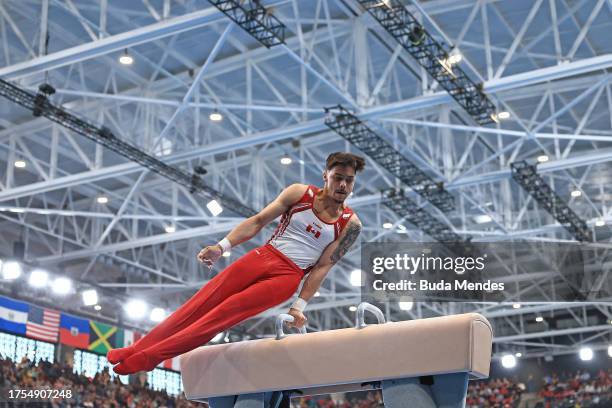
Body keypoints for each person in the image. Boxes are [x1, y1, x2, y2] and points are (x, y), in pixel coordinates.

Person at [108, 152, 365, 374]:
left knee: (221, 315)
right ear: (326, 176)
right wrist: (222, 247)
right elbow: (258, 221)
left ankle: (151, 357)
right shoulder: (300, 193)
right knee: (198, 304)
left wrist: (299, 306)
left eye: (349, 180)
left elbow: (323, 267)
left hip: (287, 277)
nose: (343, 184)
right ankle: (135, 348)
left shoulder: (350, 225)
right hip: (263, 256)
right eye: (338, 177)